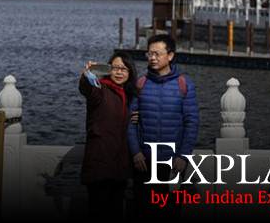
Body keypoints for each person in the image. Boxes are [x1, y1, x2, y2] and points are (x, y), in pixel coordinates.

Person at [128, 33, 199, 217]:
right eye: (149, 53)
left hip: (173, 163)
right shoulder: (141, 83)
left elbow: (192, 123)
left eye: (157, 54)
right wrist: (135, 152)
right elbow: (130, 122)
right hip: (144, 162)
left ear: (170, 55)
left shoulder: (184, 84)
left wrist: (183, 156)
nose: (152, 58)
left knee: (170, 213)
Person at [78, 51, 138, 219]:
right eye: (115, 68)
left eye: (124, 69)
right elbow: (87, 88)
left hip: (119, 167)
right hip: (99, 165)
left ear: (130, 72)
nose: (119, 72)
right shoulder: (100, 88)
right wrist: (87, 74)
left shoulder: (128, 95)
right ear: (108, 70)